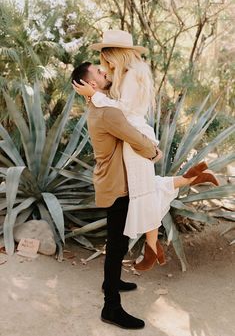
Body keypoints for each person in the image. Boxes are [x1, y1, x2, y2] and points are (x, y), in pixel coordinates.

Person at [72, 30, 219, 272]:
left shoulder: (130, 77)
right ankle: (194, 177)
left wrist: (95, 95)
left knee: (144, 193)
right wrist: (97, 94)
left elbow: (121, 112)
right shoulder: (130, 75)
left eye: (105, 59)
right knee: (147, 189)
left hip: (134, 138)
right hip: (136, 134)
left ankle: (152, 247)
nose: (104, 65)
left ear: (114, 55)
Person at [71, 62, 160, 329]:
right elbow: (134, 136)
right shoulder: (106, 112)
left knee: (118, 240)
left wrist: (91, 92)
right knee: (117, 243)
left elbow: (122, 108)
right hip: (117, 185)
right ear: (93, 83)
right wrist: (155, 152)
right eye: (99, 72)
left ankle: (112, 282)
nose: (104, 71)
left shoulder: (101, 105)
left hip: (115, 181)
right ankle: (111, 306)